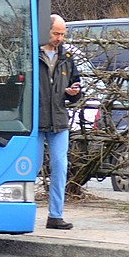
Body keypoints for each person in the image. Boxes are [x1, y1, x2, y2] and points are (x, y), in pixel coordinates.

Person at [38, 14, 81, 230]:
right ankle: (20, 207)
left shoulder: (67, 57)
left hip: (59, 120)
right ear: (46, 31)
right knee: (31, 165)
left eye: (62, 34)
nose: (59, 38)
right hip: (35, 122)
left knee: (60, 166)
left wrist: (73, 92)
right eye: (56, 33)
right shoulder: (33, 55)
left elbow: (76, 87)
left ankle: (55, 215)